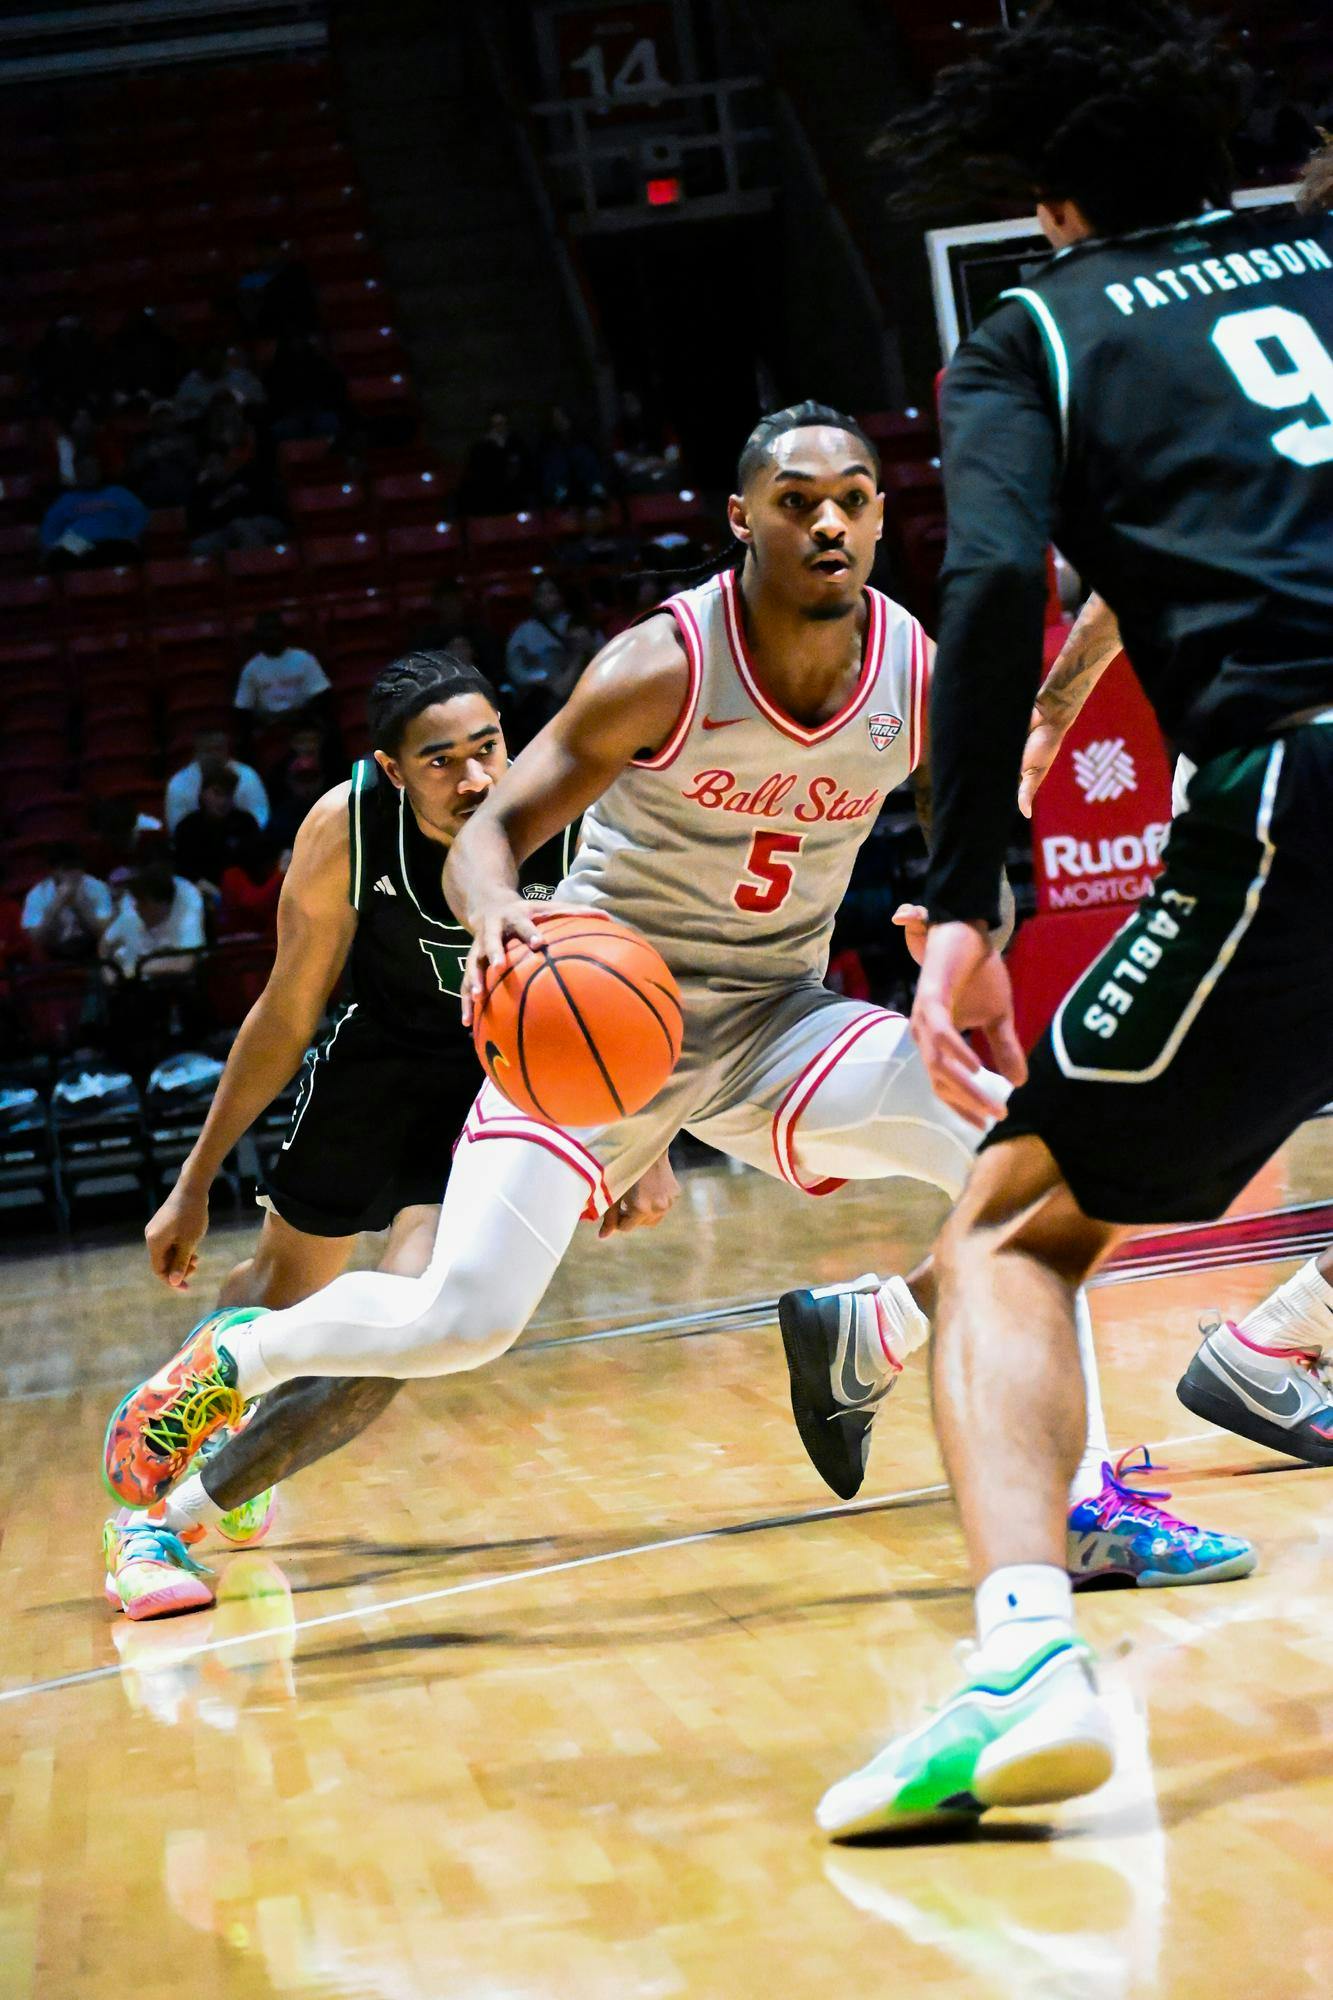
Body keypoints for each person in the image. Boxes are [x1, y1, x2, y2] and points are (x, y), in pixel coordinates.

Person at [103, 409, 1247, 1621]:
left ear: (878, 516)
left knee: (1031, 1149)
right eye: (797, 500)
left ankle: (1079, 1504)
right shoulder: (662, 663)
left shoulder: (907, 669)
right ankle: (242, 1356)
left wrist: (962, 920)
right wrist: (495, 913)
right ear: (741, 517)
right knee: (460, 1320)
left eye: (853, 499)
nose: (829, 523)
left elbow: (966, 841)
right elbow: (491, 833)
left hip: (773, 1020)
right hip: (597, 1031)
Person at [812, 2, 1333, 1840]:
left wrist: (965, 896)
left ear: (1044, 205)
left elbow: (982, 591)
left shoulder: (1032, 329)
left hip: (1292, 781)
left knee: (1011, 1232)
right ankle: (1277, 1351)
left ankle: (1024, 1661)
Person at [101, 655, 583, 1618]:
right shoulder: (347, 825)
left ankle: (157, 1523)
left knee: (408, 1327)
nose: (475, 778)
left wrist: (637, 1147)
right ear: (393, 770)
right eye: (440, 761)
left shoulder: (567, 811)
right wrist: (193, 1182)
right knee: (275, 1299)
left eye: (487, 747)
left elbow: (630, 987)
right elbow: (286, 1010)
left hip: (491, 1087)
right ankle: (204, 1433)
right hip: (374, 1071)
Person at [99, 862, 205, 980]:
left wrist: (135, 969)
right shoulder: (132, 908)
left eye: (144, 904)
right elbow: (105, 943)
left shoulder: (187, 904)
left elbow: (185, 962)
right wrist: (107, 970)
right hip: (127, 976)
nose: (137, 908)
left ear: (162, 904)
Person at [40, 454, 149, 568]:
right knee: (60, 556)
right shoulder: (66, 500)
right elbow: (50, 527)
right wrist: (49, 546)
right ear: (77, 473)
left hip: (113, 541)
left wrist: (132, 535)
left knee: (125, 550)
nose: (88, 473)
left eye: (91, 468)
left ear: (98, 470)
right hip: (77, 546)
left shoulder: (118, 493)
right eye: (83, 469)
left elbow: (139, 516)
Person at [172, 766, 261, 892]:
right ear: (203, 793)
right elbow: (183, 871)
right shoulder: (187, 827)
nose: (223, 801)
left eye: (228, 795)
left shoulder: (246, 823)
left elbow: (255, 867)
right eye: (217, 793)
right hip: (201, 893)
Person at [20, 844, 113, 962]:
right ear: (53, 871)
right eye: (67, 869)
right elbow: (36, 939)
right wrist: (56, 905)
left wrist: (81, 907)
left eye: (77, 868)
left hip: (94, 949)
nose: (74, 874)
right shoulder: (37, 894)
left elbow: (106, 934)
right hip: (54, 954)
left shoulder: (97, 887)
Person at [233, 613, 330, 726]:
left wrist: (300, 716)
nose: (271, 635)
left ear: (283, 632)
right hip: (268, 726)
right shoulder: (251, 669)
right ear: (258, 636)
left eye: (274, 630)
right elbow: (243, 707)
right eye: (266, 631)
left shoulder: (304, 658)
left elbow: (321, 695)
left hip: (302, 722)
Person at [165, 731, 269, 835]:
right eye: (208, 750)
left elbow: (259, 815)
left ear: (226, 750)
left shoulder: (247, 775)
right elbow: (176, 824)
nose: (213, 755)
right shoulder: (179, 782)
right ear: (197, 752)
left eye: (218, 749)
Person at [263, 331, 349, 443]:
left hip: (320, 412)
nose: (297, 344)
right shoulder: (275, 371)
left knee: (330, 423)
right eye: (293, 341)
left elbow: (335, 391)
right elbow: (272, 398)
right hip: (288, 416)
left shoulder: (321, 365)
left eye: (300, 341)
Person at [124, 401, 200, 511]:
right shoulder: (142, 444)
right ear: (152, 422)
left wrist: (178, 452)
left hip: (181, 500)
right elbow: (133, 470)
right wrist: (149, 456)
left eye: (167, 416)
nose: (163, 421)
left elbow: (194, 466)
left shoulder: (186, 441)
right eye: (159, 417)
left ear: (174, 419)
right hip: (152, 501)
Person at [459, 407, 533, 516]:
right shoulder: (480, 448)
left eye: (502, 424)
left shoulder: (517, 443)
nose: (499, 429)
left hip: (515, 500)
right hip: (491, 503)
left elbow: (526, 470)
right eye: (495, 425)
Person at [217, 832, 285, 940]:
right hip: (233, 943)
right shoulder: (232, 876)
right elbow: (251, 904)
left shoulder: (277, 880)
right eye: (275, 861)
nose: (276, 865)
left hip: (267, 943)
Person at [538, 404, 609, 507]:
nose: (559, 421)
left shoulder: (582, 440)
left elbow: (592, 465)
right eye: (555, 418)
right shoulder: (550, 445)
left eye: (561, 417)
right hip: (562, 493)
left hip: (587, 490)